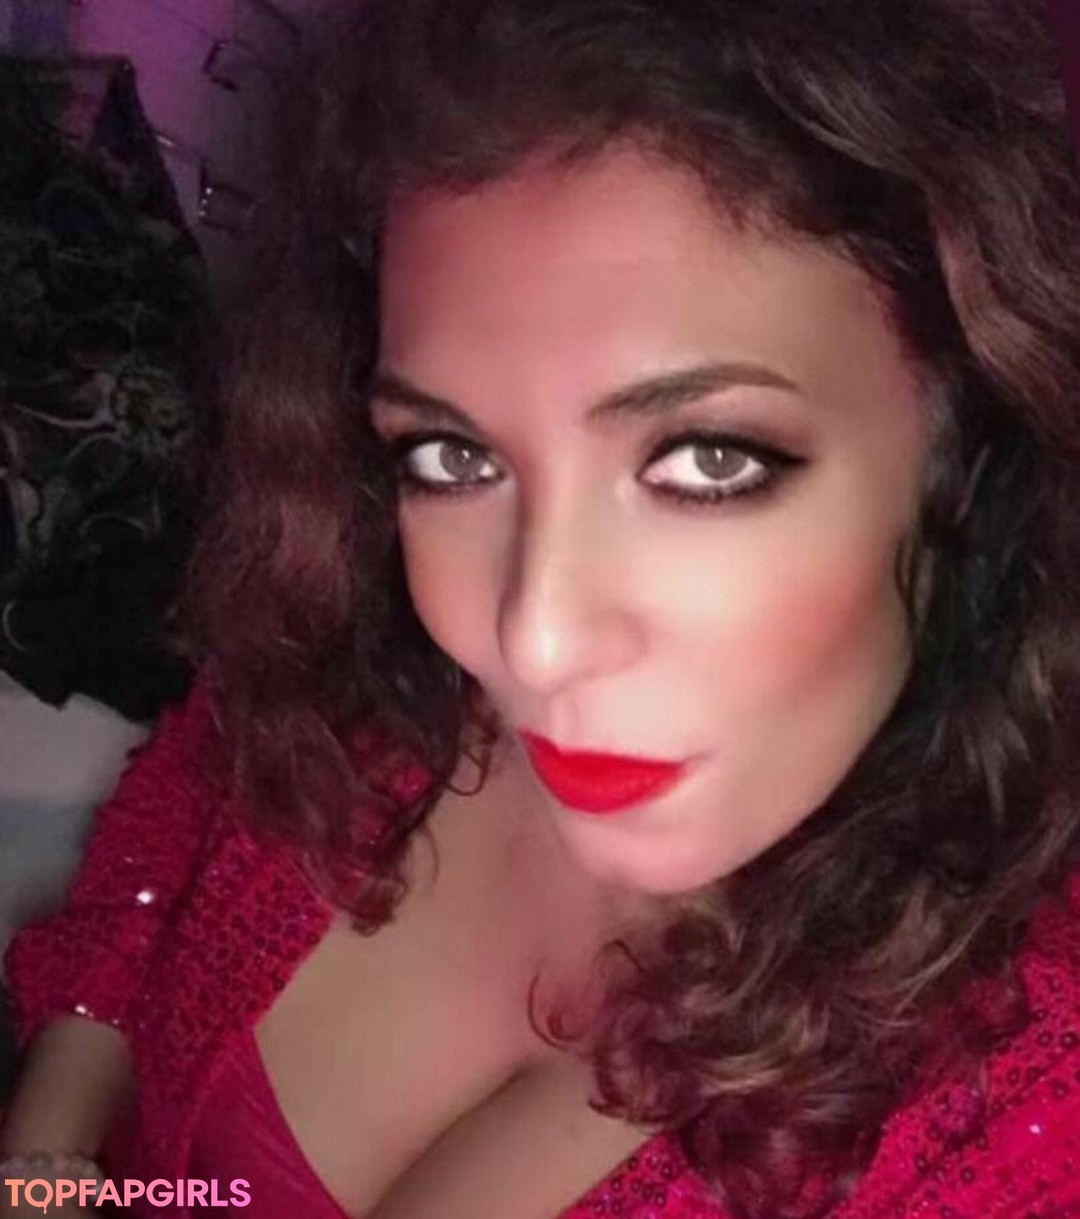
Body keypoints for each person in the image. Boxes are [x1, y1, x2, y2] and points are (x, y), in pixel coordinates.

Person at [3, 0, 1080, 1215]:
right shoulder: (360, 683)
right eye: (454, 456)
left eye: (707, 460)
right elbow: (164, 847)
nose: (530, 636)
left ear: (963, 454)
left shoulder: (1028, 1107)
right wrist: (45, 1157)